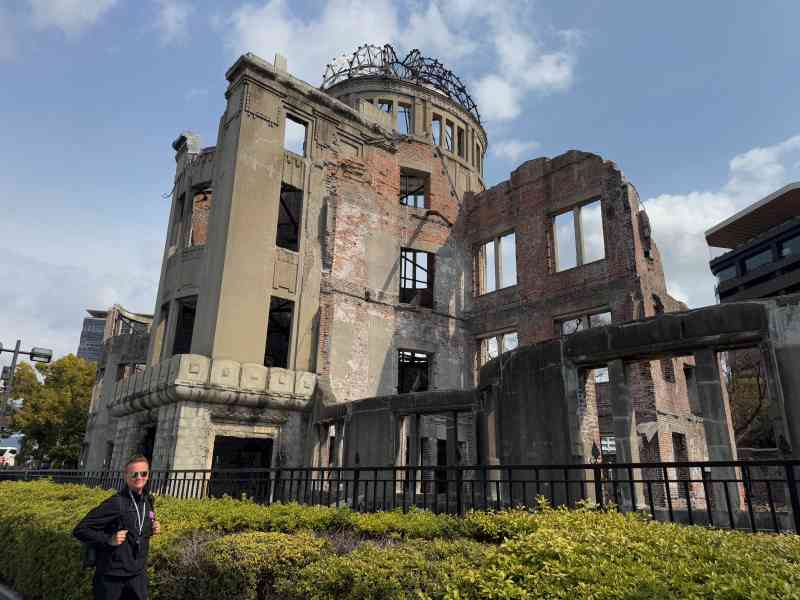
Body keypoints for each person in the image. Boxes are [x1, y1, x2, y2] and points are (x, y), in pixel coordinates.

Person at [73, 455, 161, 600]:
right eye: (134, 474)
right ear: (126, 477)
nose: (139, 477)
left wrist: (152, 528)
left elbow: (138, 527)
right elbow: (81, 530)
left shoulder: (148, 500)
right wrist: (109, 539)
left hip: (137, 576)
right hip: (112, 578)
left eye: (143, 473)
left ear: (148, 475)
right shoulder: (116, 503)